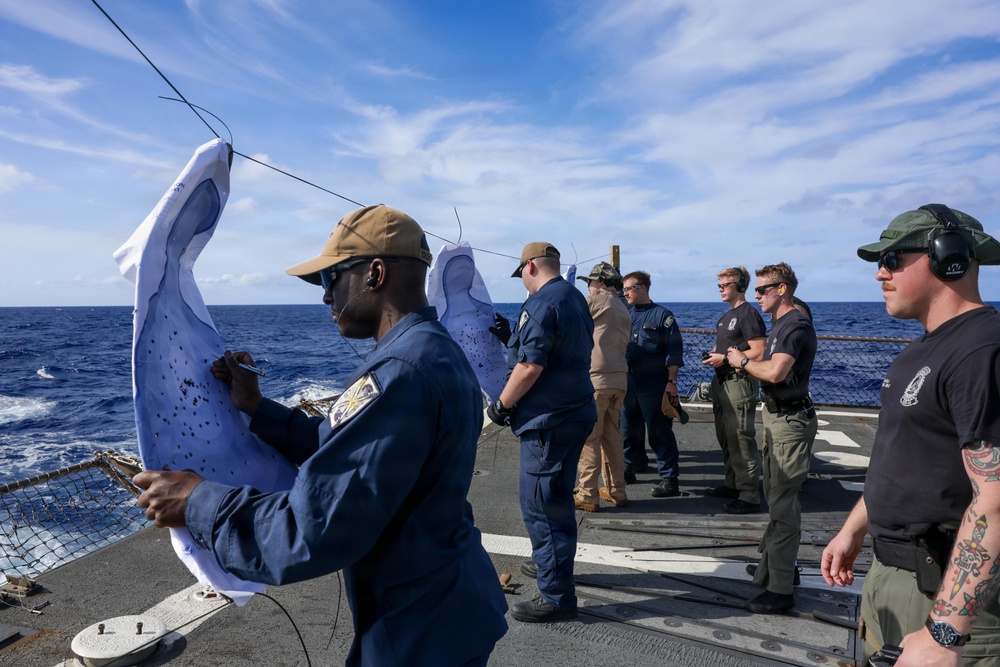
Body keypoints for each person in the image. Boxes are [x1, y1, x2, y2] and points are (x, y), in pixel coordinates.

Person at [134, 204, 508, 666]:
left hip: (418, 630)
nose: (326, 297)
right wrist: (255, 407)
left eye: (331, 279)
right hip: (443, 605)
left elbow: (310, 530)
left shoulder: (399, 374)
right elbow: (349, 448)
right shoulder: (431, 351)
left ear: (374, 273)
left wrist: (198, 501)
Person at [821, 204, 1000, 666]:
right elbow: (904, 458)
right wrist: (854, 527)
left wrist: (945, 633)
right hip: (892, 572)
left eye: (893, 259)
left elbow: (995, 499)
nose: (881, 273)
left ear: (949, 257)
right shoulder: (919, 352)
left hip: (946, 596)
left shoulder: (982, 352)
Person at [486, 242, 596, 623]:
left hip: (549, 421)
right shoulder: (574, 298)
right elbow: (555, 351)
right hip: (576, 411)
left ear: (529, 266)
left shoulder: (541, 303)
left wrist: (501, 405)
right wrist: (508, 335)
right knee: (558, 498)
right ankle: (551, 566)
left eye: (522, 275)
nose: (523, 283)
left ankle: (556, 597)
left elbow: (530, 367)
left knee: (543, 509)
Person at [725, 262, 816, 614]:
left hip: (789, 420)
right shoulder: (783, 323)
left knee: (781, 504)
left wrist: (741, 361)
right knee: (777, 495)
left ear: (782, 290)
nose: (757, 294)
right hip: (781, 416)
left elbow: (776, 372)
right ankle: (775, 567)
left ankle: (780, 589)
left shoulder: (793, 324)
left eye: (763, 289)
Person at [702, 266, 766, 514]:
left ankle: (749, 494)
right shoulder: (728, 316)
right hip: (723, 382)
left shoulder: (748, 314)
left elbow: (759, 350)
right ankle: (733, 484)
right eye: (718, 285)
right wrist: (717, 357)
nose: (720, 289)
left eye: (725, 285)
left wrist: (725, 359)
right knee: (726, 437)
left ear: (740, 286)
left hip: (738, 382)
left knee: (741, 438)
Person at [573, 262, 631, 512]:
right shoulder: (623, 307)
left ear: (602, 283)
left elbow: (570, 315)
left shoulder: (599, 300)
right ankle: (617, 490)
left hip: (596, 378)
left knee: (589, 437)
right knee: (612, 436)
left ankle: (587, 494)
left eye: (591, 282)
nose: (589, 287)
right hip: (619, 379)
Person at [620, 270, 684, 497]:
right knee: (627, 428)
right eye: (624, 288)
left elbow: (674, 352)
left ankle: (669, 479)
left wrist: (671, 382)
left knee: (659, 432)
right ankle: (629, 466)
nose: (625, 292)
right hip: (628, 382)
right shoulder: (624, 313)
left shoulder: (662, 316)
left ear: (642, 289)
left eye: (629, 288)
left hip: (653, 384)